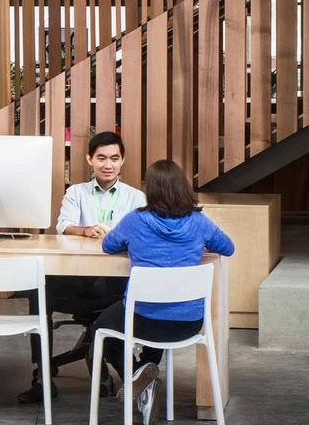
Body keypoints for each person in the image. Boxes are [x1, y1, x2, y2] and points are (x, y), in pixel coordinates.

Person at [93, 158, 235, 424]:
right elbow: (228, 247)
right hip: (189, 324)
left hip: (143, 321)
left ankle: (139, 376)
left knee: (100, 328)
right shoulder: (199, 222)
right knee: (151, 317)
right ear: (183, 188)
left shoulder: (135, 221)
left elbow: (108, 245)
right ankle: (146, 379)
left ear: (150, 190)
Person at [18, 130, 145, 406]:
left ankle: (124, 369)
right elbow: (63, 226)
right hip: (78, 279)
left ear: (122, 161)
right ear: (90, 160)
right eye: (101, 158)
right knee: (39, 291)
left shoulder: (136, 198)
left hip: (116, 285)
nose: (108, 165)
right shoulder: (76, 192)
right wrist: (85, 230)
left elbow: (144, 233)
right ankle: (42, 377)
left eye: (114, 158)